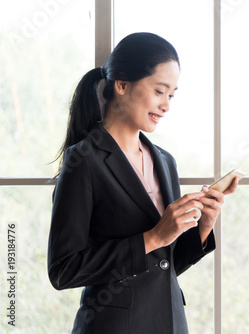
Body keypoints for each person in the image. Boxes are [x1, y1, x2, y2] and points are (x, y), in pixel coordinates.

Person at [47, 32, 238, 334]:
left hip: (171, 322)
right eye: (159, 91)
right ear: (122, 85)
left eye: (172, 95)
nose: (166, 105)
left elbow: (166, 264)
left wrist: (203, 226)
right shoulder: (83, 160)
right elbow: (63, 270)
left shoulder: (165, 161)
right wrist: (152, 238)